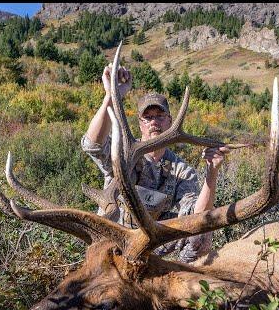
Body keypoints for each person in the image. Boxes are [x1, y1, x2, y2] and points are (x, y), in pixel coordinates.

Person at [81, 63, 230, 263]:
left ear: (170, 121)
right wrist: (111, 94)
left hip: (149, 248)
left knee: (202, 232)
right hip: (112, 242)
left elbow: (197, 214)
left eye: (160, 116)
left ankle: (181, 282)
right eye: (148, 117)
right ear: (140, 124)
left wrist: (212, 171)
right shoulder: (122, 153)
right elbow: (93, 145)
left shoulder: (181, 171)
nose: (154, 122)